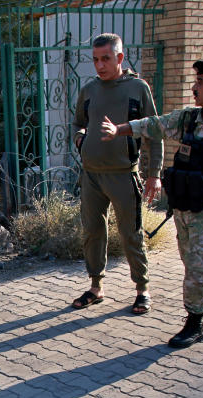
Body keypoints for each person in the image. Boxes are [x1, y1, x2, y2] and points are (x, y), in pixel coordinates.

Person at [100, 57, 203, 348]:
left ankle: (194, 322)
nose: (194, 87)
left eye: (201, 82)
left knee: (197, 268)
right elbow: (155, 125)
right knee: (197, 263)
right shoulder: (189, 118)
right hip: (185, 208)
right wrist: (119, 130)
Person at [71, 33, 163, 315]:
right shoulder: (88, 90)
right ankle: (96, 286)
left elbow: (155, 132)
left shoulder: (137, 88)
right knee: (92, 232)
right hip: (91, 176)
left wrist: (154, 174)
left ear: (120, 58)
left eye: (106, 59)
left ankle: (142, 289)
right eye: (96, 59)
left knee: (130, 233)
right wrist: (81, 139)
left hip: (124, 174)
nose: (100, 65)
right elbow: (78, 123)